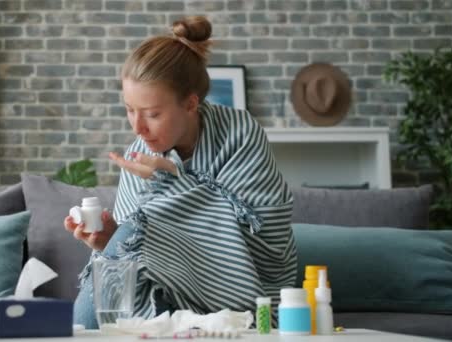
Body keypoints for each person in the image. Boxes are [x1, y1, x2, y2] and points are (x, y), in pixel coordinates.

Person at [64, 16, 297, 329]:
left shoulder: (240, 134)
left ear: (190, 104)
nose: (138, 126)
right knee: (120, 259)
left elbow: (262, 233)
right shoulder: (141, 148)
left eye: (153, 114)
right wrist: (107, 238)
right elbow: (135, 244)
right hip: (167, 286)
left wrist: (170, 182)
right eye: (130, 110)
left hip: (243, 285)